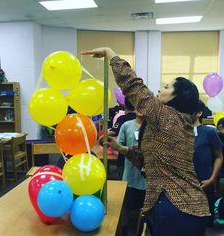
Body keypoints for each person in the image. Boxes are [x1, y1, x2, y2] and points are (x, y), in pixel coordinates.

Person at [81, 47, 210, 236]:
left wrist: (110, 53)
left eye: (166, 87)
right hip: (186, 209)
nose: (160, 89)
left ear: (177, 97)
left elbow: (133, 86)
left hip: (177, 208)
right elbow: (153, 160)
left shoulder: (166, 116)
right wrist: (121, 148)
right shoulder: (177, 122)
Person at [193, 100, 223, 226]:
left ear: (199, 112)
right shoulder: (178, 132)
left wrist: (212, 179)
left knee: (204, 223)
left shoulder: (209, 132)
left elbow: (219, 156)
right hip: (183, 184)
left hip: (204, 183)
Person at [116, 111, 147, 235]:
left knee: (145, 208)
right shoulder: (126, 125)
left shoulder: (153, 127)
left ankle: (141, 231)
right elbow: (119, 146)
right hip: (129, 175)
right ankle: (124, 231)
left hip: (147, 179)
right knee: (126, 207)